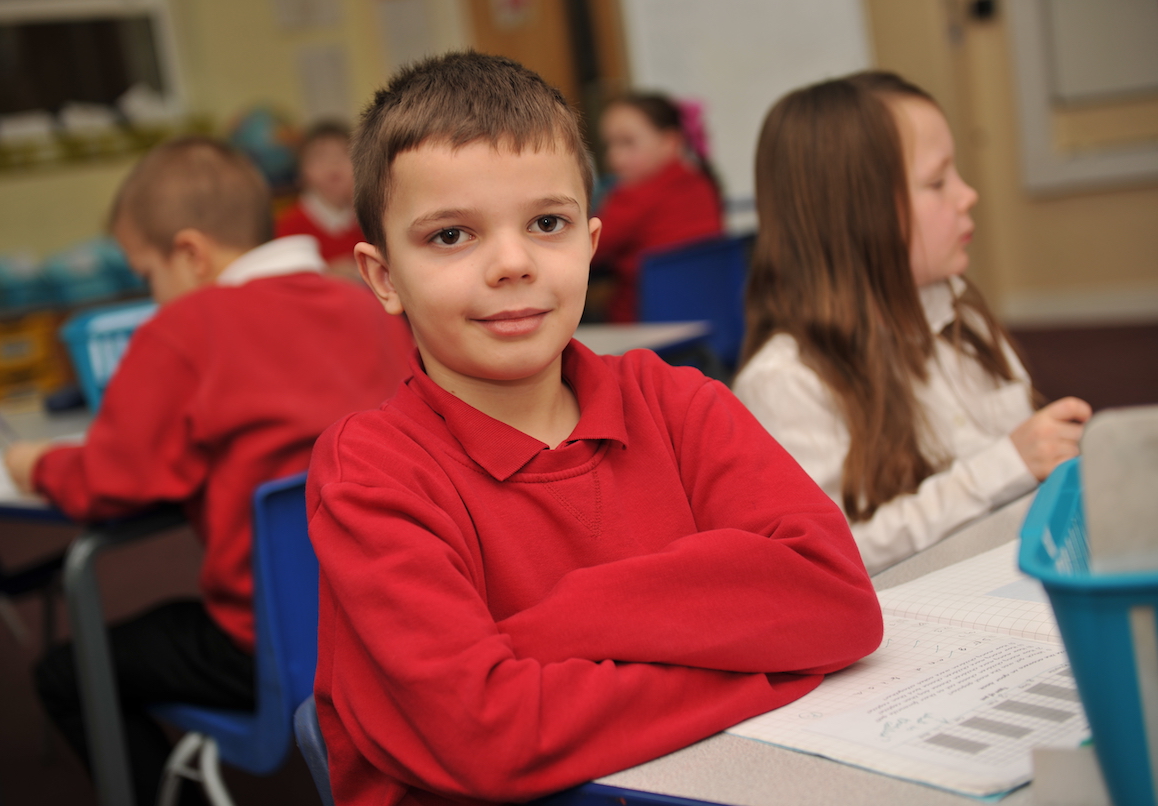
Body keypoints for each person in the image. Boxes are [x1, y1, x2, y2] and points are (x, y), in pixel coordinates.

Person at [308, 51, 883, 806]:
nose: (512, 263)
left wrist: (540, 634)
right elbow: (491, 734)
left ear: (590, 240)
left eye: (548, 223)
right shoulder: (372, 471)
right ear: (384, 278)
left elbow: (837, 601)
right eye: (451, 236)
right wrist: (763, 659)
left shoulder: (678, 402)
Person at [2, 136, 413, 806]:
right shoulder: (365, 301)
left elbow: (110, 481)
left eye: (147, 274)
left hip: (271, 641)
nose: (151, 293)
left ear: (190, 254)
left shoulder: (187, 327)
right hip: (395, 616)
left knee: (67, 672)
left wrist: (38, 463)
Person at [732, 72, 1091, 575]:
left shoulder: (961, 315)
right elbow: (835, 554)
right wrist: (1006, 465)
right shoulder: (783, 383)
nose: (968, 195)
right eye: (937, 182)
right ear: (857, 214)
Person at [590, 93, 724, 322]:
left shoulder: (634, 197)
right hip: (708, 322)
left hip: (643, 326)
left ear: (670, 143)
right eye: (609, 145)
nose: (614, 158)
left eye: (627, 143)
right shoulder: (702, 184)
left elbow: (585, 248)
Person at [276, 119, 365, 280]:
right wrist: (325, 272)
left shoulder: (367, 219)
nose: (333, 163)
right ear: (301, 171)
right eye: (320, 156)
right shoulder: (288, 227)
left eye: (344, 154)